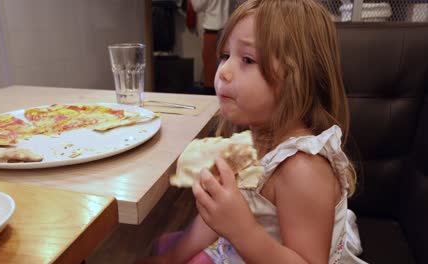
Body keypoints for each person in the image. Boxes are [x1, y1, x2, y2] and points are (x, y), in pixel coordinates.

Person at [137, 0, 366, 263]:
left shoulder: (303, 169)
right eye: (225, 56)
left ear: (298, 77)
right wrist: (172, 258)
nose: (223, 72)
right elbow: (214, 221)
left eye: (247, 59)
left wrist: (241, 229)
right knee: (160, 247)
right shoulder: (249, 142)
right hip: (241, 245)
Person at [191, 0, 230, 93]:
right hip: (227, 28)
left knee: (210, 70)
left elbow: (196, 6)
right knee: (224, 66)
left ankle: (211, 97)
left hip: (212, 29)